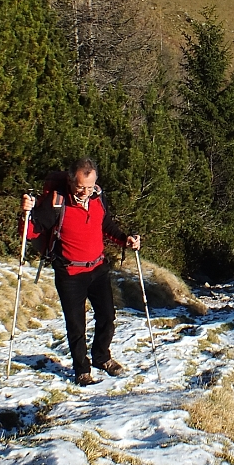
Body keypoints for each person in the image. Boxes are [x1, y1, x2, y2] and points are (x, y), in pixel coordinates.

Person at [22, 157, 141, 385]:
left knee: (107, 317)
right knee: (76, 324)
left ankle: (101, 357)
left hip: (97, 268)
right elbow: (31, 231)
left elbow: (105, 224)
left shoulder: (97, 197)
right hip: (69, 273)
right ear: (69, 180)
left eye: (89, 186)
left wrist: (125, 239)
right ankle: (81, 370)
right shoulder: (57, 202)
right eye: (80, 186)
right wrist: (26, 213)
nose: (85, 191)